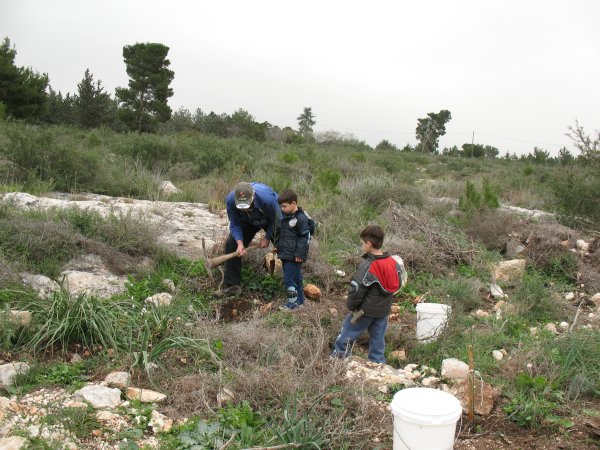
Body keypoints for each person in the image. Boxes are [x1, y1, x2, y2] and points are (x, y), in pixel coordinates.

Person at [332, 225, 405, 363]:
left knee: (347, 333)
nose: (362, 246)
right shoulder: (393, 263)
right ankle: (377, 363)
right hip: (383, 311)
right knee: (378, 339)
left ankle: (338, 361)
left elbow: (356, 289)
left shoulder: (368, 265)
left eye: (362, 243)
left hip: (364, 311)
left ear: (368, 243)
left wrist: (352, 306)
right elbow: (398, 285)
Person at [218, 181, 281, 297]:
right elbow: (235, 224)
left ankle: (287, 283)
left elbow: (277, 220)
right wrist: (240, 243)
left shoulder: (267, 200)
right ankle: (232, 286)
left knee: (283, 245)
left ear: (254, 195)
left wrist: (267, 238)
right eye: (241, 207)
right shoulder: (231, 200)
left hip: (270, 220)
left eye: (247, 205)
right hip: (248, 221)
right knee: (231, 245)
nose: (245, 209)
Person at [273, 189, 311, 310]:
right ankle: (300, 301)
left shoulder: (301, 218)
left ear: (293, 203)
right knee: (297, 279)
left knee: (289, 279)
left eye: (284, 206)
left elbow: (305, 237)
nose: (282, 209)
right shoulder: (286, 218)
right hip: (286, 254)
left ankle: (292, 304)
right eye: (281, 206)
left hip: (294, 256)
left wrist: (300, 254)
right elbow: (285, 237)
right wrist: (278, 248)